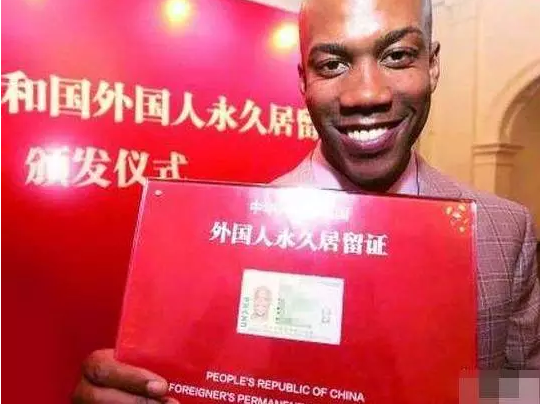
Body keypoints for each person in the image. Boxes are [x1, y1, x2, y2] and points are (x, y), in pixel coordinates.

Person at [71, 0, 539, 402]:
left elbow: (522, 385)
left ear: (432, 65)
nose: (366, 94)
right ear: (303, 80)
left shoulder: (505, 230)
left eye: (397, 56)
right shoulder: (227, 242)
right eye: (332, 65)